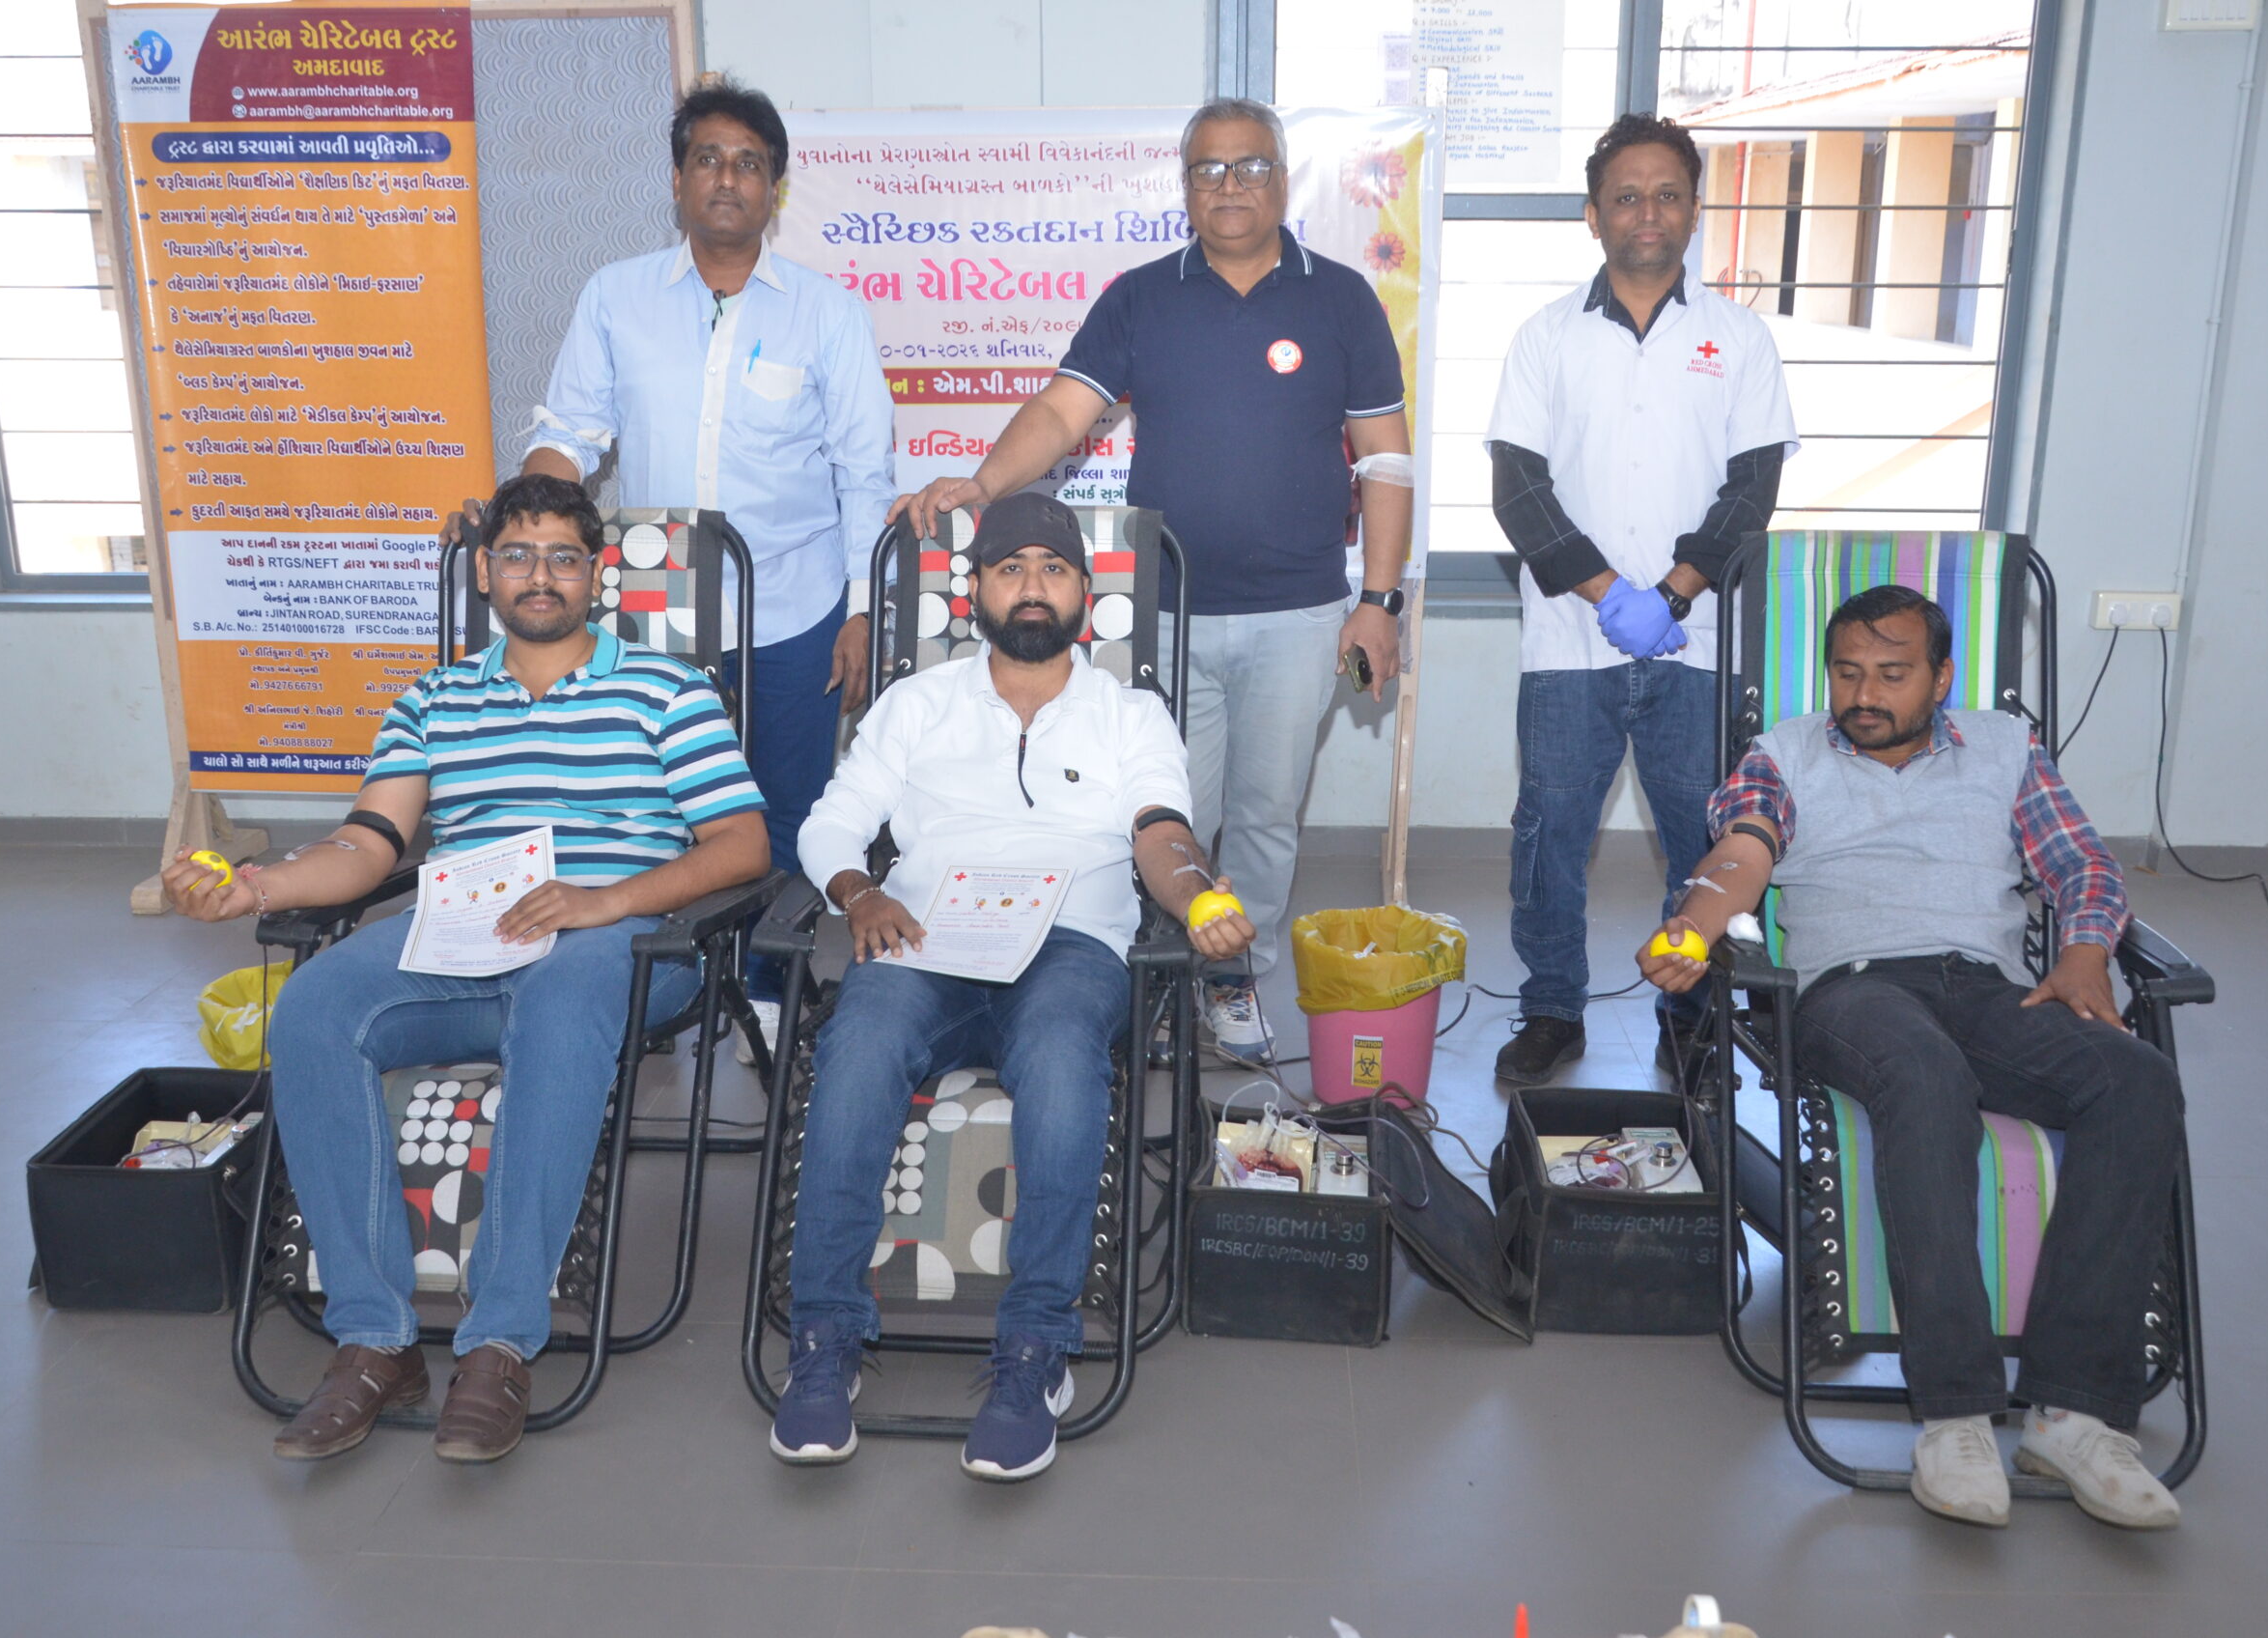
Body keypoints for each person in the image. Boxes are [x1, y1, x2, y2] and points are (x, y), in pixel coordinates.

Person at [166, 473, 770, 1465]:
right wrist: (255, 887)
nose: (541, 575)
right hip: (462, 942)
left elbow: (742, 845)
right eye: (519, 555)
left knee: (562, 1000)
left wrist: (605, 900)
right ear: (486, 572)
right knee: (314, 1006)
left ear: (596, 576)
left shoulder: (667, 690)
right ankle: (375, 1340)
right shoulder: (434, 700)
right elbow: (366, 847)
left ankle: (498, 1343)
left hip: (624, 946)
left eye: (564, 557)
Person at [1638, 584, 2186, 1532]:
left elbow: (2081, 864)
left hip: (1988, 986)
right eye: (1848, 671)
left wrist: (2086, 951)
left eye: (1893, 673)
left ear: (1940, 677)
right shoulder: (1784, 754)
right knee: (1927, 1077)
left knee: (2135, 1080)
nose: (1865, 693)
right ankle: (1956, 1414)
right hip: (1850, 990)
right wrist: (1693, 924)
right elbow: (1740, 851)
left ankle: (2071, 1412)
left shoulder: (2006, 749)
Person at [891, 98, 1412, 1065]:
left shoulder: (1341, 299)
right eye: (1208, 169)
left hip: (1300, 614)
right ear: (1184, 186)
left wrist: (1378, 603)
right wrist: (985, 482)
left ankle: (1230, 977)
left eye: (1249, 166)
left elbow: (1385, 460)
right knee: (1167, 813)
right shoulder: (1139, 297)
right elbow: (1063, 411)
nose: (1229, 186)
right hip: (1163, 616)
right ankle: (1160, 974)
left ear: (1282, 179)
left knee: (1266, 818)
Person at [775, 491, 1251, 1482]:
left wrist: (1199, 897)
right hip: (924, 934)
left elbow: (1161, 832)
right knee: (857, 1041)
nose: (1032, 586)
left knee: (1063, 1054)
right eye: (1010, 568)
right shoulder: (917, 704)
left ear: (1084, 591)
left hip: (1070, 943)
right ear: (974, 591)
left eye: (1053, 568)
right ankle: (824, 1338)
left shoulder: (1129, 713)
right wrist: (859, 891)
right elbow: (832, 823)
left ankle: (1035, 1348)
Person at [521, 75, 895, 1042]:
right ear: (678, 178)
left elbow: (864, 473)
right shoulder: (616, 296)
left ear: (775, 187)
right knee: (655, 805)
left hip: (799, 605)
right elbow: (570, 434)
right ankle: (658, 985)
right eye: (708, 159)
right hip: (657, 602)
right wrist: (524, 516)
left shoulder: (827, 312)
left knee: (782, 808)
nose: (727, 179)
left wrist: (863, 610)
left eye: (749, 164)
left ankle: (769, 991)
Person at [1487, 113, 1797, 1089]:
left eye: (1668, 194)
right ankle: (1550, 1008)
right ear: (1594, 214)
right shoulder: (1545, 337)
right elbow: (1518, 490)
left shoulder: (1738, 337)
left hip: (1696, 642)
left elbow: (1751, 489)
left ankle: (1688, 1014)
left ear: (1695, 209)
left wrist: (1670, 593)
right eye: (1626, 195)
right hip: (1568, 641)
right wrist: (1611, 593)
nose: (1648, 212)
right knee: (1549, 837)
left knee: (1702, 838)